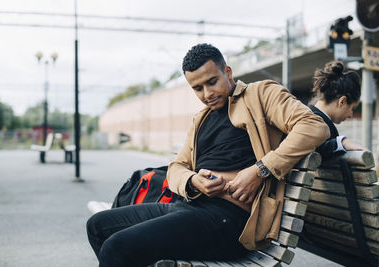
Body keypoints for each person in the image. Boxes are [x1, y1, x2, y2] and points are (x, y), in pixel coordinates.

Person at [86, 43, 330, 267]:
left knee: (117, 247)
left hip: (226, 220)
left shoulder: (260, 94)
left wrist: (260, 170)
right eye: (198, 88)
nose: (207, 93)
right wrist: (193, 181)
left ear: (228, 72)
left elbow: (314, 126)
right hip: (186, 207)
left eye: (212, 81)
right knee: (98, 226)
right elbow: (177, 166)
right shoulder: (201, 119)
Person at [309, 61, 366, 159]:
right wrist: (341, 142)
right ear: (342, 101)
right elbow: (306, 146)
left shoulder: (309, 113)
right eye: (352, 108)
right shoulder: (313, 120)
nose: (351, 115)